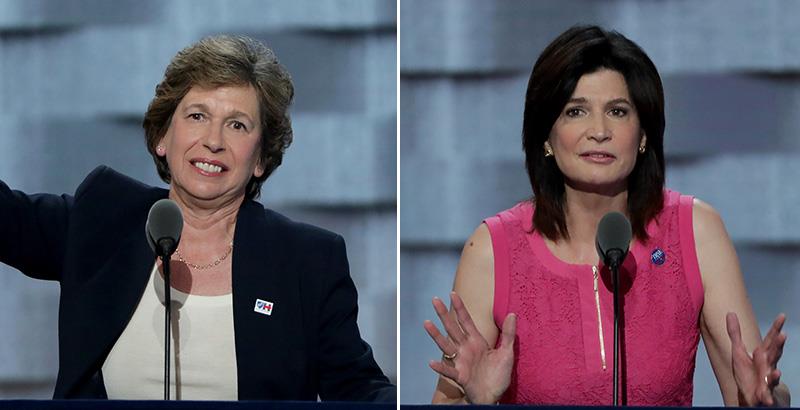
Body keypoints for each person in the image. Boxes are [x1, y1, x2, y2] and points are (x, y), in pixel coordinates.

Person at [0, 34, 394, 402]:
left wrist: (449, 394)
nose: (214, 140)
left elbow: (358, 388)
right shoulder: (103, 218)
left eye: (237, 125)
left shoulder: (306, 260)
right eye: (197, 116)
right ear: (162, 136)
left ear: (260, 158)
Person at [424, 25, 789, 406]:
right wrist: (476, 402)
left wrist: (767, 399)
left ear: (643, 134)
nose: (599, 131)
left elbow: (755, 388)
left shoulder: (696, 232)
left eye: (617, 111)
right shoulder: (492, 250)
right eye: (575, 111)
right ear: (546, 137)